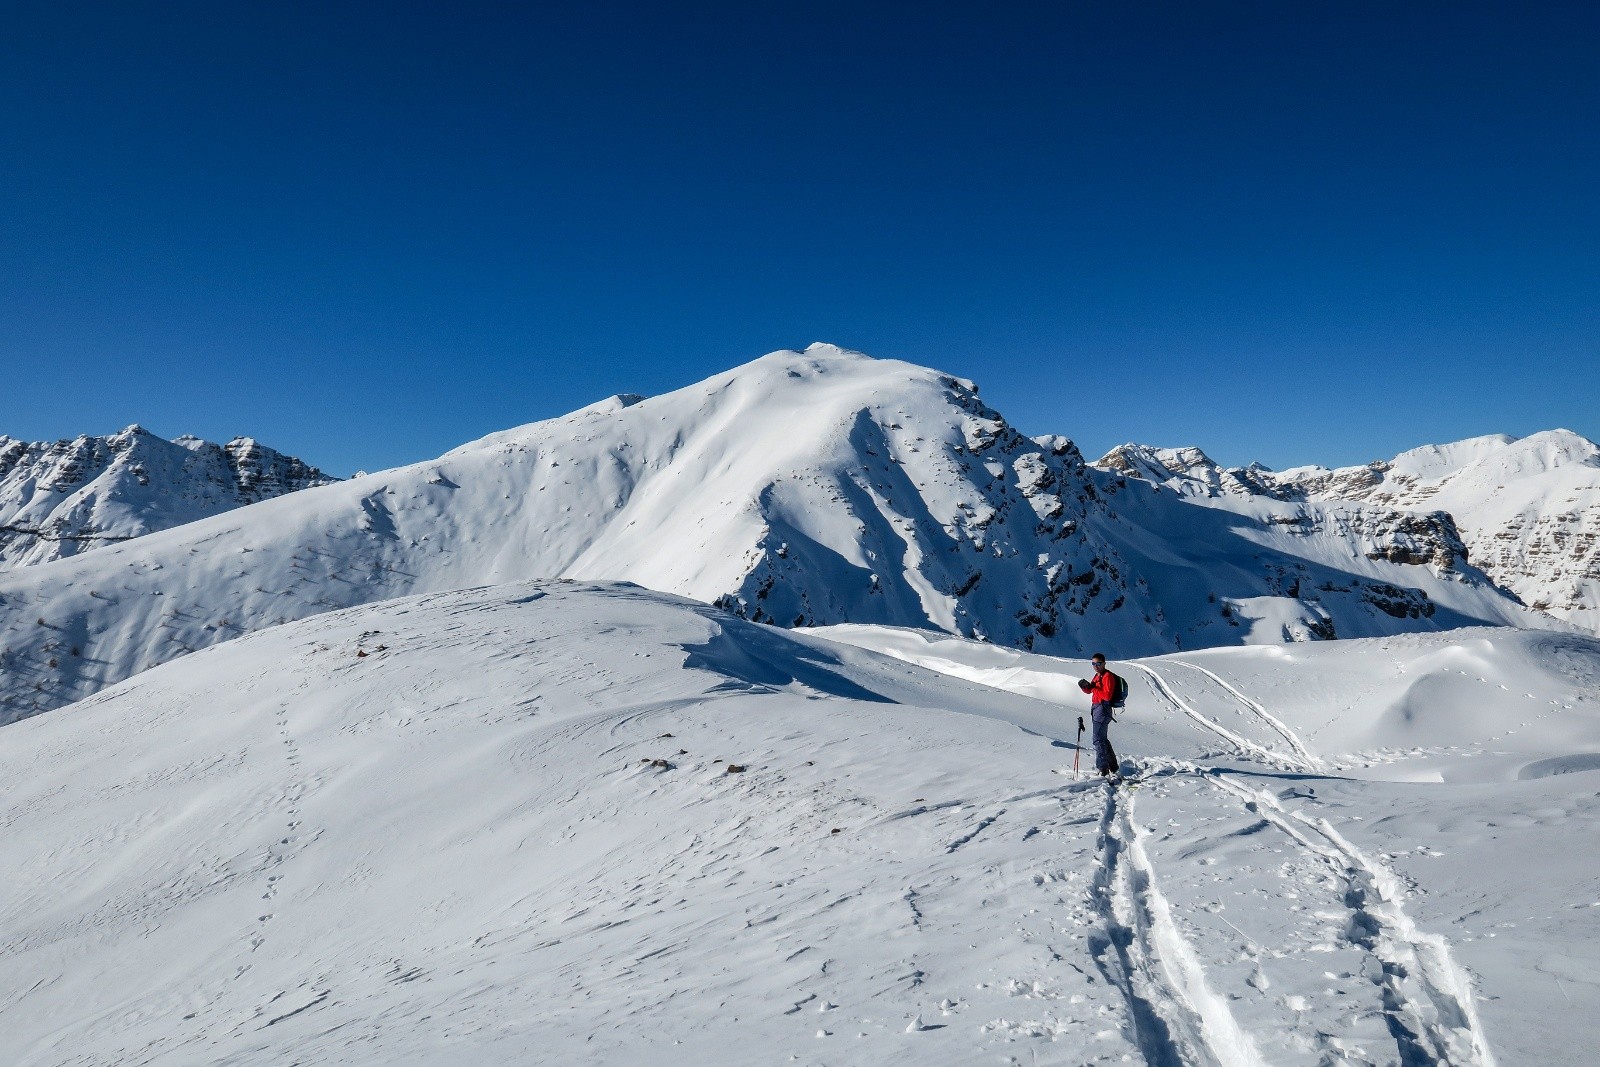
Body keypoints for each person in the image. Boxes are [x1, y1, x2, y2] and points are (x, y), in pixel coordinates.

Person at [1077, 653, 1120, 776]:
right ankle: (1113, 766)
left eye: (1098, 663)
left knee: (1097, 740)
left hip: (1103, 709)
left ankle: (1103, 768)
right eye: (1093, 664)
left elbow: (1107, 696)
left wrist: (1094, 688)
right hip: (1097, 709)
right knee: (1102, 739)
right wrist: (1085, 687)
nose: (1095, 666)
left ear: (1104, 663)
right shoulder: (1097, 676)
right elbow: (1091, 690)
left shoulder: (1108, 677)